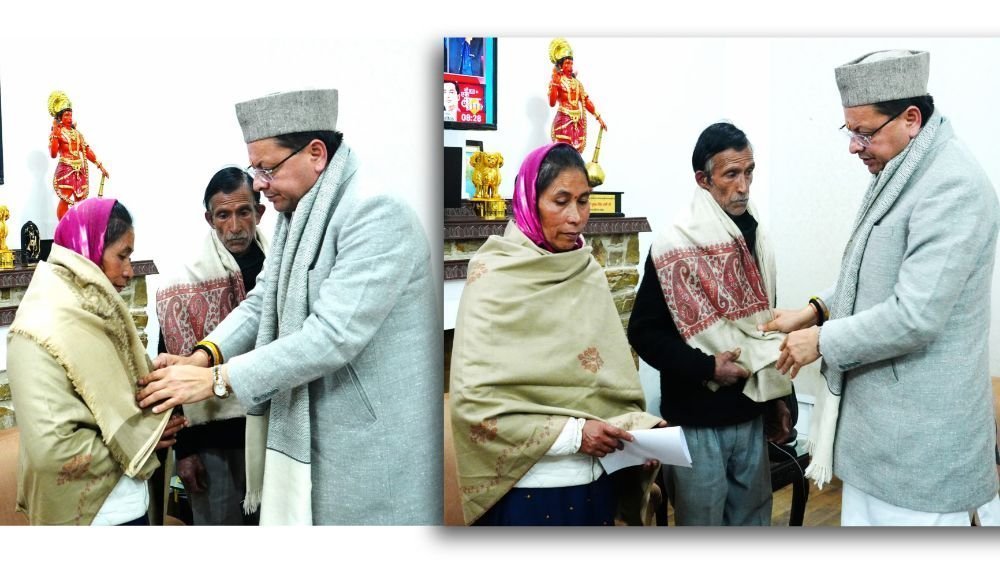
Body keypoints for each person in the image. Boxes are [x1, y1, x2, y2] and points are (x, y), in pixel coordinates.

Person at [136, 89, 440, 525]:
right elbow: (263, 300)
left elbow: (330, 337)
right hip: (317, 423)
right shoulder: (297, 212)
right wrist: (202, 357)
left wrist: (217, 381)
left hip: (369, 439)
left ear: (316, 154)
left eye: (267, 168)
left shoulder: (374, 211)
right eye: (254, 170)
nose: (259, 183)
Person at [766, 49, 1000, 525]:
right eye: (849, 131)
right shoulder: (903, 167)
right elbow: (870, 276)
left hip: (921, 449)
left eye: (864, 132)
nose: (854, 147)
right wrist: (815, 310)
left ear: (911, 119)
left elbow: (914, 316)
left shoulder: (952, 184)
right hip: (879, 439)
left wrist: (821, 340)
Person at [449, 142, 664, 526]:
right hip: (528, 491)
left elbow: (606, 383)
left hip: (596, 483)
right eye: (560, 201)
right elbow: (475, 406)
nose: (575, 217)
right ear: (529, 202)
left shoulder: (588, 271)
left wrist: (638, 430)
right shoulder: (494, 276)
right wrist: (576, 435)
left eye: (583, 201)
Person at [628, 122, 792, 526]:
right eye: (731, 174)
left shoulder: (756, 233)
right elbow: (644, 333)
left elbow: (762, 326)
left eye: (749, 172)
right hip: (697, 419)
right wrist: (707, 367)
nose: (743, 187)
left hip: (750, 411)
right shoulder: (675, 243)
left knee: (753, 523)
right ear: (703, 180)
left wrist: (778, 398)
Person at [7, 198, 185, 525]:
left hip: (130, 502)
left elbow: (118, 397)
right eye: (122, 255)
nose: (129, 271)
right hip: (94, 517)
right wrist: (140, 443)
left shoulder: (93, 311)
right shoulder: (40, 327)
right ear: (88, 249)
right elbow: (52, 452)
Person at [155, 167, 268, 525]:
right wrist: (185, 453)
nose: (234, 226)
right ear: (209, 219)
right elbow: (172, 373)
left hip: (273, 430)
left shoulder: (279, 269)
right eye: (223, 215)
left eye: (244, 212)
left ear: (259, 212)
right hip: (211, 443)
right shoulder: (183, 285)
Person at [47, 91, 110, 220]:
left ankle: (78, 225)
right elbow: (53, 154)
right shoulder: (58, 133)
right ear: (60, 117)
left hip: (79, 171)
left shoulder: (77, 134)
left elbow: (86, 150)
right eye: (66, 115)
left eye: (71, 115)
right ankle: (64, 226)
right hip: (66, 170)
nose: (69, 118)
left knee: (81, 200)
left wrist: (100, 166)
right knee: (65, 198)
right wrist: (55, 134)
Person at [548, 38, 607, 154]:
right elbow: (552, 103)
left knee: (575, 153)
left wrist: (598, 117)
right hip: (564, 120)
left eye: (571, 63)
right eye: (567, 63)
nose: (570, 67)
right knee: (563, 152)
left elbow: (586, 100)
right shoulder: (557, 81)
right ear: (560, 65)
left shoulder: (577, 83)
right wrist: (555, 83)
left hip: (577, 123)